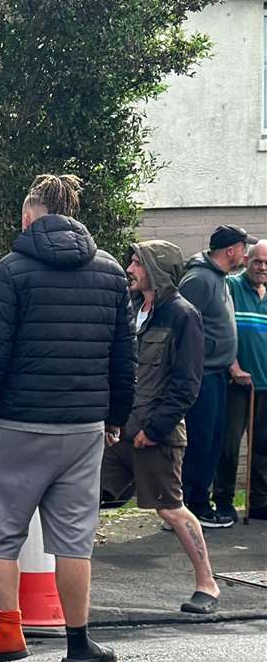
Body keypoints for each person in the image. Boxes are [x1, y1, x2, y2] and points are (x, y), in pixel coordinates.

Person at [0, 174, 134, 662]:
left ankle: (9, 635)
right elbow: (124, 356)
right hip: (85, 428)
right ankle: (79, 643)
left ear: (30, 215)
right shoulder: (112, 272)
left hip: (21, 425)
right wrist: (116, 416)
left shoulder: (10, 272)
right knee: (75, 539)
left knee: (1, 533)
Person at [100, 241, 219, 613]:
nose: (129, 267)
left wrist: (154, 430)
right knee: (82, 498)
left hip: (157, 437)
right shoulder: (133, 309)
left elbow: (187, 384)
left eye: (137, 262)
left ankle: (208, 584)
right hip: (120, 431)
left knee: (171, 509)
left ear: (157, 269)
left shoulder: (183, 315)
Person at [177, 225, 244, 527]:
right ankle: (193, 506)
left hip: (218, 374)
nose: (245, 253)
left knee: (212, 442)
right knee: (200, 442)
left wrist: (230, 363)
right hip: (201, 376)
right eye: (243, 247)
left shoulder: (220, 279)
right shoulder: (199, 280)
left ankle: (199, 502)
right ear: (231, 250)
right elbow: (183, 325)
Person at [214, 239, 267, 520]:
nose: (262, 267)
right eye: (258, 261)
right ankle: (222, 501)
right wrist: (233, 366)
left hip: (265, 386)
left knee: (263, 450)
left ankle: (259, 503)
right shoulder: (231, 287)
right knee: (229, 447)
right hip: (236, 384)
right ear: (246, 260)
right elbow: (220, 329)